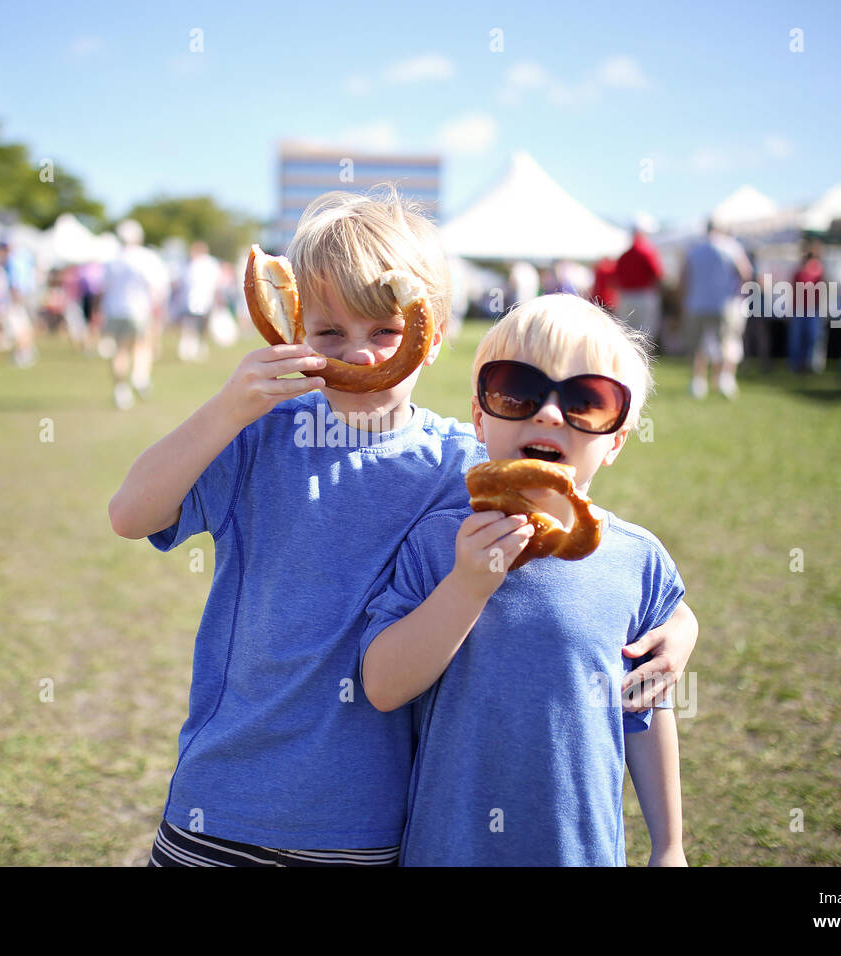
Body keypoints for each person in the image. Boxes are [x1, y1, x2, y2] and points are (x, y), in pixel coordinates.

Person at [107, 187, 699, 866]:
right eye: (331, 333)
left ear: (433, 336)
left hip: (366, 823)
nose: (359, 356)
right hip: (223, 800)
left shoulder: (469, 468)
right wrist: (225, 411)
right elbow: (131, 515)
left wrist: (680, 626)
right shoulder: (256, 440)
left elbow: (595, 551)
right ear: (295, 330)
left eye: (384, 332)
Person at [361, 294, 691, 866]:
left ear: (615, 439)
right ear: (479, 417)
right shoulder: (437, 545)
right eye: (517, 389)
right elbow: (384, 686)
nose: (548, 414)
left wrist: (670, 846)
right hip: (449, 850)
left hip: (578, 851)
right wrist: (466, 587)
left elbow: (645, 707)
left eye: (588, 401)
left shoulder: (637, 560)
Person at [680, 220, 752, 398]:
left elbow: (683, 278)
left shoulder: (694, 249)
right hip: (725, 304)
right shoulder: (732, 247)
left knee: (699, 344)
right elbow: (746, 274)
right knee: (728, 342)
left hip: (696, 304)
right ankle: (725, 379)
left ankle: (698, 382)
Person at [101, 219, 169, 409]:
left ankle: (121, 391)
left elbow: (103, 289)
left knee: (119, 351)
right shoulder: (145, 257)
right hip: (138, 311)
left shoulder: (113, 260)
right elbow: (156, 287)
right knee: (141, 346)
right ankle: (140, 377)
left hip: (114, 310)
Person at [616, 219, 665, 345]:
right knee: (645, 332)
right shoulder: (647, 251)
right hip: (644, 295)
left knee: (627, 332)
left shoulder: (624, 255)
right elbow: (658, 274)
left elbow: (616, 278)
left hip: (626, 296)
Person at [179, 241, 220, 362]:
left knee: (197, 326)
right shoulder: (193, 264)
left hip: (201, 300)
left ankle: (196, 348)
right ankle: (190, 348)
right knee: (192, 326)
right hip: (194, 301)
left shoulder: (203, 264)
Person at [789, 243, 825, 373]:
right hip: (799, 309)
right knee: (797, 339)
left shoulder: (819, 270)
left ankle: (810, 365)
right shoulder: (799, 271)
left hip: (813, 309)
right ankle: (796, 365)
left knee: (812, 338)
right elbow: (793, 290)